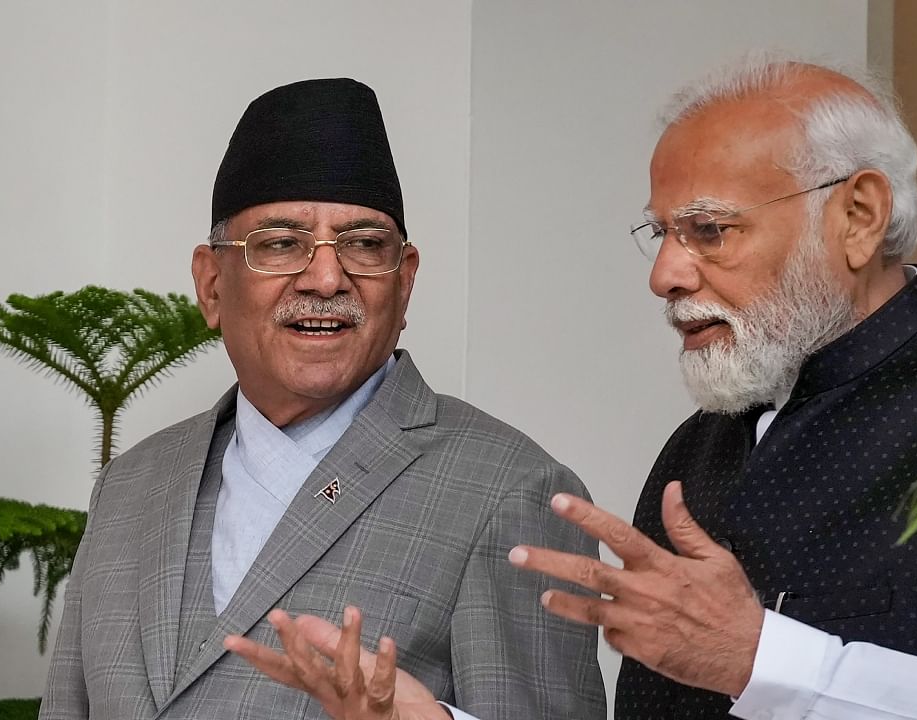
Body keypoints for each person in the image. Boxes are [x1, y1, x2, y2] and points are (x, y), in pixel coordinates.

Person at [228, 56, 917, 720]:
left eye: (710, 231)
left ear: (858, 216)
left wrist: (764, 660)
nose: (665, 274)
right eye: (662, 233)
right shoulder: (701, 448)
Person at [37, 77, 606, 720]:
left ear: (406, 281)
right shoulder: (132, 486)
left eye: (365, 245)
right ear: (211, 285)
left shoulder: (510, 490)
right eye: (281, 243)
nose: (328, 277)